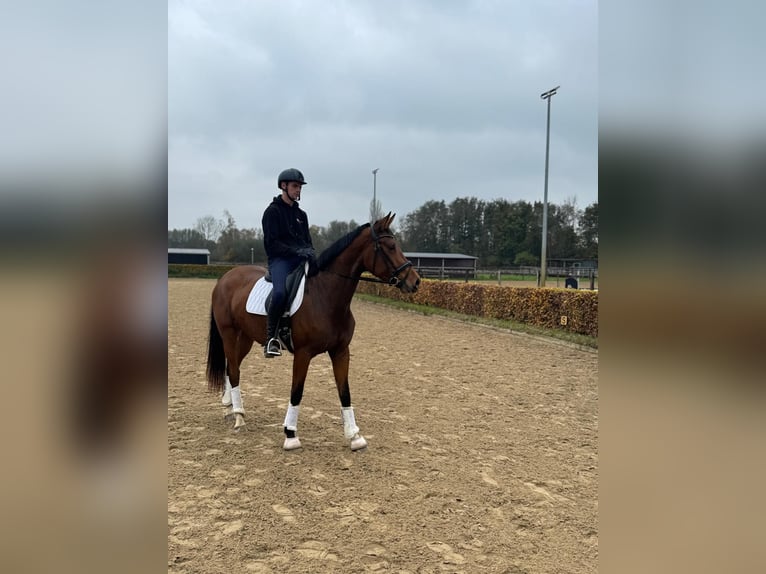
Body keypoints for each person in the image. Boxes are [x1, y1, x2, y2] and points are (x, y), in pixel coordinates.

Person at [261, 168, 316, 357]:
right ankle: (270, 339)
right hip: (280, 260)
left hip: (301, 259)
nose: (298, 190)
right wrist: (295, 251)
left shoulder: (302, 215)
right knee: (279, 293)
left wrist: (310, 251)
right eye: (295, 186)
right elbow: (272, 244)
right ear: (283, 186)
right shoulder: (272, 212)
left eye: (300, 187)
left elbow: (308, 241)